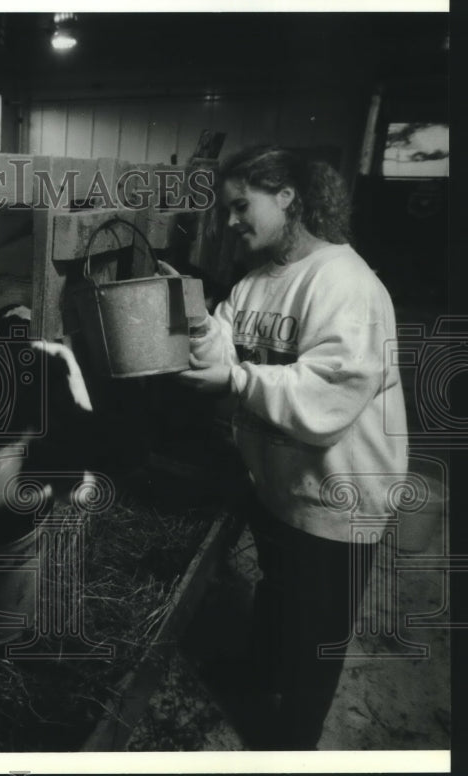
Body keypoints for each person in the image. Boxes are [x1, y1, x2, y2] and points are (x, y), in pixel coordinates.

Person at [177, 145, 408, 749]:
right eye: (225, 210)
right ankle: (258, 675)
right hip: (283, 483)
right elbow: (222, 350)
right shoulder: (255, 283)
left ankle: (292, 740)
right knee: (278, 591)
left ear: (286, 197)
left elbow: (329, 395)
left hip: (339, 494)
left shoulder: (345, 283)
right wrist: (198, 322)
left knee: (317, 629)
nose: (229, 221)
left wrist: (235, 380)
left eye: (240, 205)